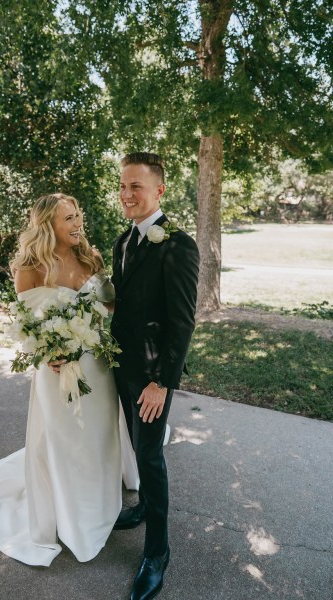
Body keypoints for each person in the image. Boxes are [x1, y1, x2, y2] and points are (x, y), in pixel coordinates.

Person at [0, 193, 138, 566]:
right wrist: (50, 353)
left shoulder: (89, 257)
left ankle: (101, 495)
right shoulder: (30, 268)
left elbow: (110, 306)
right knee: (64, 438)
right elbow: (25, 325)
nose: (77, 224)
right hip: (58, 370)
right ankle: (69, 510)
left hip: (98, 364)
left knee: (99, 432)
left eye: (78, 215)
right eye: (68, 219)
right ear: (48, 226)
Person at [111, 153, 199, 600]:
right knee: (135, 446)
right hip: (120, 371)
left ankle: (157, 553)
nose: (127, 194)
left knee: (149, 458)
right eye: (123, 185)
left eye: (136, 187)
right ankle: (143, 505)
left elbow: (183, 322)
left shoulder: (178, 244)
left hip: (150, 379)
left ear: (159, 190)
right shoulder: (122, 242)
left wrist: (161, 382)